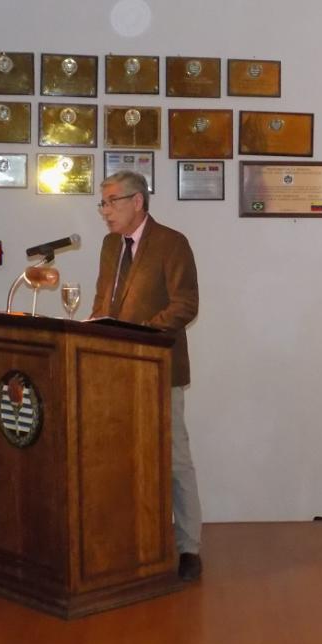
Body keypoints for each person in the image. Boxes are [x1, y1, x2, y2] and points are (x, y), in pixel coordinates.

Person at [89, 170, 203, 582]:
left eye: (112, 201)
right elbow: (105, 298)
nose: (105, 211)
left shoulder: (172, 243)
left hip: (159, 368)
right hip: (112, 371)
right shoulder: (108, 246)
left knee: (174, 459)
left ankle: (188, 547)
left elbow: (186, 304)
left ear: (138, 201)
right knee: (119, 458)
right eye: (102, 203)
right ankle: (132, 541)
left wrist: (141, 335)